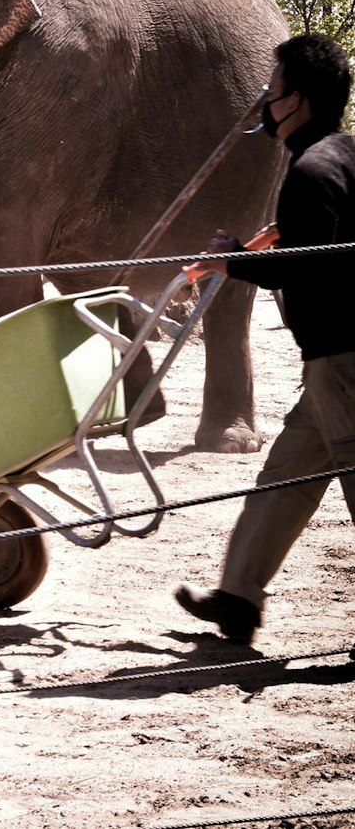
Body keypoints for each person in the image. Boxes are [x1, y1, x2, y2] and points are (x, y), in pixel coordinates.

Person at [175, 33, 355, 644]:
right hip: (329, 368)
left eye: (271, 92)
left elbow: (308, 265)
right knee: (284, 478)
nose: (263, 105)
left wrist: (230, 262)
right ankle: (238, 599)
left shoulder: (309, 171)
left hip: (344, 362)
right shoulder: (345, 158)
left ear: (297, 100)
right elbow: (314, 242)